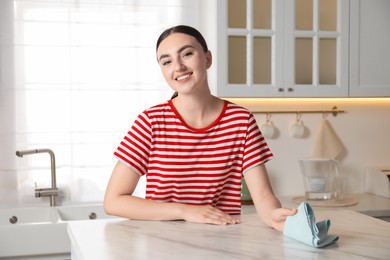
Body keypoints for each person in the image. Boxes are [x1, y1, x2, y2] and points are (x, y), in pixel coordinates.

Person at [104, 25, 296, 232]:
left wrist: (275, 216)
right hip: (162, 243)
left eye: (187, 54)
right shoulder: (151, 121)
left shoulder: (241, 120)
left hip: (223, 241)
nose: (177, 67)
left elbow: (264, 198)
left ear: (207, 58)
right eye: (167, 61)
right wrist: (185, 211)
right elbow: (114, 201)